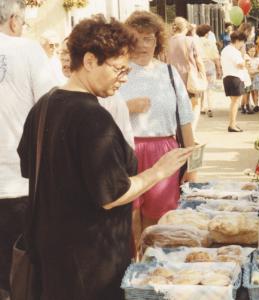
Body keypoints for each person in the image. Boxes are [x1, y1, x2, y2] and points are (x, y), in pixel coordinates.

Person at [17, 16, 191, 300]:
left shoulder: (45, 104)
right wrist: (159, 171)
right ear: (88, 61)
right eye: (119, 70)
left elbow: (30, 167)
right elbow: (113, 193)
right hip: (90, 263)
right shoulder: (92, 117)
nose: (123, 79)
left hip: (53, 255)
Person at [120, 11, 196, 245]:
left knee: (160, 219)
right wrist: (126, 107)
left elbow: (185, 120)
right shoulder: (118, 72)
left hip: (165, 151)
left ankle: (154, 268)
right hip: (127, 150)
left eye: (148, 38)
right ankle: (133, 266)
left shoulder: (170, 73)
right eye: (136, 38)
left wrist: (192, 165)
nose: (142, 45)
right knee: (129, 217)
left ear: (158, 41)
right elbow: (99, 113)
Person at [0, 1, 57, 298]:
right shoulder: (27, 50)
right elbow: (51, 106)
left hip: (15, 180)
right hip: (18, 180)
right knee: (21, 273)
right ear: (13, 20)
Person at [58, 37, 135, 149]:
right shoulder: (48, 99)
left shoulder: (111, 98)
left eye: (70, 53)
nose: (66, 58)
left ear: (89, 61)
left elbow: (126, 144)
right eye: (63, 53)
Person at [166, 17, 205, 134]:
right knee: (196, 104)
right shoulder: (190, 41)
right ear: (186, 27)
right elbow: (199, 61)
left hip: (171, 79)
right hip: (189, 78)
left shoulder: (166, 42)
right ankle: (191, 132)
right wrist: (202, 76)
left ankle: (178, 132)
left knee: (176, 107)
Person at [221, 31, 247, 132]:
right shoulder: (234, 51)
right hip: (235, 77)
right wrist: (245, 61)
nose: (242, 44)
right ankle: (232, 125)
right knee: (235, 102)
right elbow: (240, 64)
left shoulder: (225, 50)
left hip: (227, 77)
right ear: (237, 41)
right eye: (242, 42)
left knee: (233, 102)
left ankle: (233, 123)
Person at [196, 23, 222, 118]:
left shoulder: (195, 42)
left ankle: (201, 107)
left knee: (201, 88)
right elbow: (216, 57)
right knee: (210, 89)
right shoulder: (211, 43)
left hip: (199, 66)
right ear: (206, 33)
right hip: (210, 66)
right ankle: (210, 107)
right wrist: (219, 69)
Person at [244, 43, 259, 113]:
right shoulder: (246, 59)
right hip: (249, 78)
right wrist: (257, 71)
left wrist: (256, 71)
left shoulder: (257, 59)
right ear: (247, 51)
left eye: (254, 51)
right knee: (248, 92)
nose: (253, 53)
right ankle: (247, 106)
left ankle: (256, 105)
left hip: (256, 78)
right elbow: (250, 70)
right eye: (251, 51)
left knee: (256, 92)